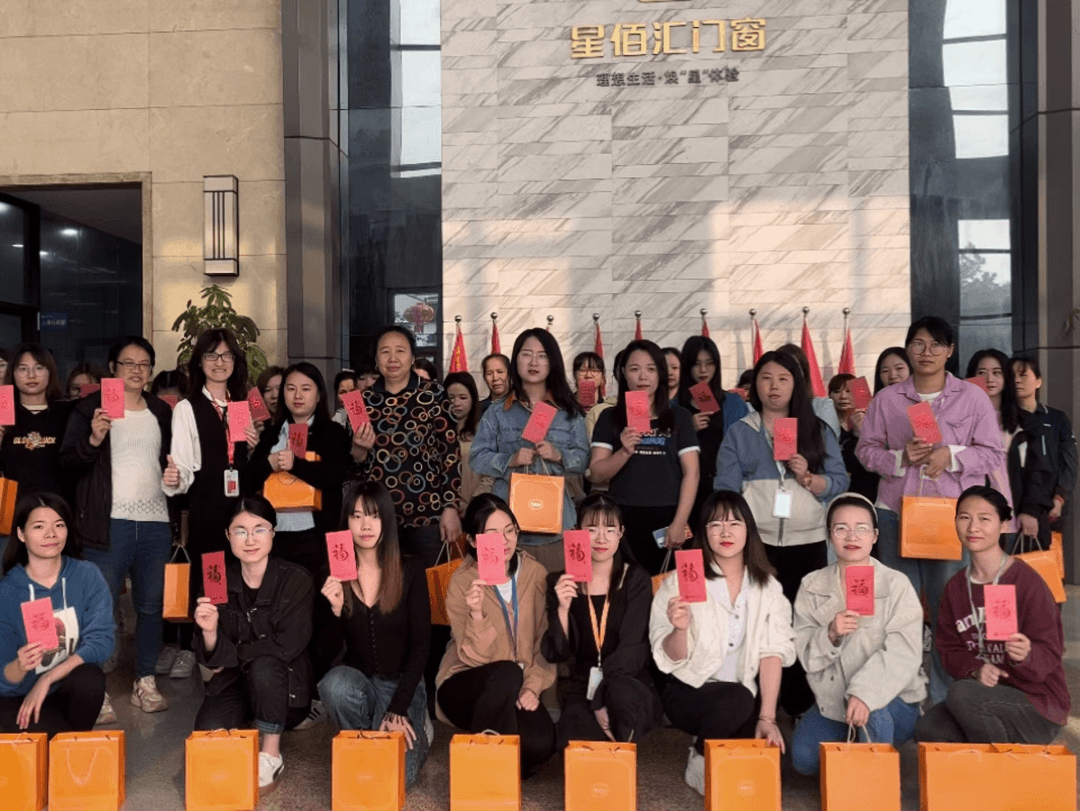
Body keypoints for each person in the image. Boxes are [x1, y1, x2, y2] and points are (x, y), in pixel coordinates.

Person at [856, 316, 1005, 704]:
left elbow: (992, 453)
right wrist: (899, 458)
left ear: (950, 351)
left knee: (947, 611)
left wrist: (951, 456)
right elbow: (865, 451)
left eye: (936, 345)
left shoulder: (971, 397)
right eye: (919, 344)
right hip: (895, 513)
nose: (927, 352)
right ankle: (900, 698)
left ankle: (943, 700)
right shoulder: (888, 399)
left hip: (948, 518)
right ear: (908, 348)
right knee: (899, 611)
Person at [715, 350, 849, 716]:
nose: (774, 387)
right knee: (759, 620)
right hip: (758, 544)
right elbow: (725, 489)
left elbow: (840, 481)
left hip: (808, 542)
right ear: (754, 385)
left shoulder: (817, 430)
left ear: (797, 385)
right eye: (766, 378)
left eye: (783, 379)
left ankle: (801, 703)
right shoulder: (740, 431)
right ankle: (759, 702)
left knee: (803, 621)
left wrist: (809, 477)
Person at [650, 490, 795, 796]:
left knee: (771, 765)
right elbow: (669, 658)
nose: (725, 532)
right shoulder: (679, 581)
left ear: (749, 530)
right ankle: (699, 757)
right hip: (688, 691)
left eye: (734, 523)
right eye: (715, 524)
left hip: (741, 696)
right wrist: (679, 630)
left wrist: (768, 718)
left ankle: (718, 738)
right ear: (704, 533)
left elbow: (772, 653)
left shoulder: (768, 588)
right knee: (736, 700)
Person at [60, 336, 174, 716]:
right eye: (128, 363)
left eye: (144, 364)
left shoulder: (161, 411)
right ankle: (96, 689)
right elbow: (67, 463)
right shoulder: (89, 408)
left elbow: (173, 461)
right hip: (107, 523)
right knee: (100, 607)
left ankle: (145, 681)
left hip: (155, 522)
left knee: (151, 607)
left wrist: (176, 479)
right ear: (112, 368)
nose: (136, 370)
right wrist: (93, 439)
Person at [914, 486, 1069, 744]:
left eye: (984, 519)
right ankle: (995, 755)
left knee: (961, 694)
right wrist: (975, 670)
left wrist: (1026, 655)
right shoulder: (956, 587)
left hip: (1036, 702)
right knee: (930, 728)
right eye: (964, 517)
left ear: (1004, 524)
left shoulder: (1027, 582)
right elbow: (949, 649)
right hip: (985, 696)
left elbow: (1050, 654)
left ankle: (1001, 763)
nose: (973, 527)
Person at [791, 494, 925, 775]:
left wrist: (864, 694)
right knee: (804, 759)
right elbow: (805, 653)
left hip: (892, 700)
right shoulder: (811, 585)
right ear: (829, 535)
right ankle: (857, 748)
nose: (851, 536)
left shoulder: (896, 584)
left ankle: (873, 783)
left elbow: (903, 651)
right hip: (835, 702)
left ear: (875, 536)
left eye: (861, 528)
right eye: (841, 528)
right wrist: (829, 634)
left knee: (874, 713)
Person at [193, 497, 314, 791]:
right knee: (207, 733)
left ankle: (271, 752)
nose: (250, 540)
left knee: (264, 665)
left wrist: (232, 654)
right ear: (227, 535)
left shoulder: (296, 579)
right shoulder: (216, 578)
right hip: (235, 685)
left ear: (273, 532)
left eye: (259, 529)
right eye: (240, 531)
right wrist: (210, 633)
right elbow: (210, 657)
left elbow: (288, 645)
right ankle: (250, 723)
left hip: (284, 691)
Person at [317, 482, 431, 787]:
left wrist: (399, 708)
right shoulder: (333, 575)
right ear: (346, 522)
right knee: (333, 685)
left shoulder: (410, 569)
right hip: (360, 683)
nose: (365, 525)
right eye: (356, 516)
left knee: (398, 780)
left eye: (374, 515)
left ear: (387, 520)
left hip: (403, 685)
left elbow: (422, 644)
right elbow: (326, 652)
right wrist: (335, 611)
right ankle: (363, 737)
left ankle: (420, 728)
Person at [161, 328, 259, 680]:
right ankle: (207, 653)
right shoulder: (187, 408)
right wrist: (174, 479)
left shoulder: (241, 406)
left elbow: (245, 465)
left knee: (242, 579)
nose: (220, 362)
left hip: (241, 511)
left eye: (227, 355)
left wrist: (253, 447)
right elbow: (184, 466)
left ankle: (240, 647)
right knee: (212, 580)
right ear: (199, 362)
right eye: (212, 355)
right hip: (208, 509)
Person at [436, 495, 556, 776]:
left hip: (516, 685)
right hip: (466, 684)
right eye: (492, 534)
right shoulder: (463, 581)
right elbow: (473, 657)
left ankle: (497, 755)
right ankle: (483, 769)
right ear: (473, 540)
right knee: (507, 673)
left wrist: (532, 687)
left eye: (510, 530)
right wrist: (477, 614)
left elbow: (544, 643)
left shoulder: (535, 574)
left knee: (541, 743)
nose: (504, 541)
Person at [542, 494, 661, 746]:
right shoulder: (560, 582)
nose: (601, 538)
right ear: (578, 532)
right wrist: (562, 608)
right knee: (572, 746)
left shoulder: (636, 580)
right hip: (584, 684)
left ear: (621, 533)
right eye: (592, 529)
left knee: (621, 701)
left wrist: (600, 700)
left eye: (610, 529)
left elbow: (633, 647)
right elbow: (557, 653)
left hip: (628, 682)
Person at [470, 328, 589, 571]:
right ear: (516, 361)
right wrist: (508, 460)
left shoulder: (569, 413)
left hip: (557, 525)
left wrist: (559, 455)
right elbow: (477, 458)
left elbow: (584, 460)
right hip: (507, 526)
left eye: (542, 355)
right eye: (526, 354)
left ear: (552, 362)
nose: (534, 362)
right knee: (503, 590)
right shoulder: (497, 412)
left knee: (558, 589)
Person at [0, 494, 112, 737]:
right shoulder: (7, 592)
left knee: (90, 679)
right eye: (39, 527)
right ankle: (70, 743)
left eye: (59, 525)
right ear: (21, 534)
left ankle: (71, 740)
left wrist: (47, 678)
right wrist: (19, 666)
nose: (51, 534)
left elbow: (101, 642)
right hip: (18, 697)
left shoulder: (87, 575)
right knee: (52, 742)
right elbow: (3, 677)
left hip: (63, 689)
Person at [349, 326, 461, 569]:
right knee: (383, 586)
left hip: (428, 517)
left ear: (412, 358)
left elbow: (450, 455)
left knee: (428, 586)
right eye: (385, 352)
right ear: (376, 360)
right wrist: (359, 450)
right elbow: (355, 467)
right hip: (377, 518)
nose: (392, 358)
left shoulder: (434, 394)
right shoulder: (361, 402)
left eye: (400, 351)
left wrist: (450, 507)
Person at [589, 341, 700, 574]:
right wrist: (624, 451)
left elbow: (692, 473)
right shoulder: (609, 417)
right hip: (623, 517)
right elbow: (597, 474)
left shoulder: (679, 416)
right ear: (623, 373)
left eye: (651, 369)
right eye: (634, 369)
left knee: (670, 587)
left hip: (670, 515)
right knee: (626, 587)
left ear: (661, 373)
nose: (643, 376)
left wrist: (680, 522)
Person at [247, 362, 350, 574]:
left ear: (319, 395)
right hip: (275, 536)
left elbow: (335, 476)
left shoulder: (332, 432)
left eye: (306, 388)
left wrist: (296, 465)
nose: (297, 395)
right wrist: (269, 463)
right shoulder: (270, 434)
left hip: (316, 537)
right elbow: (247, 481)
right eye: (291, 388)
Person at [967, 349, 1053, 548]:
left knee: (1006, 568)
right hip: (969, 518)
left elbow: (1038, 472)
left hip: (1010, 518)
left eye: (997, 373)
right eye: (982, 372)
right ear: (972, 378)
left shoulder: (1025, 423)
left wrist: (1030, 510)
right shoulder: (961, 421)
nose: (989, 379)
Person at [676, 336, 748, 525]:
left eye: (709, 363)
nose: (703, 370)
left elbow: (745, 447)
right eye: (696, 364)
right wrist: (687, 429)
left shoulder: (733, 403)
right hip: (685, 491)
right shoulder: (674, 407)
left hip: (723, 489)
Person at [0, 343, 74, 503]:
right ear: (12, 374)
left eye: (39, 368)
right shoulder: (3, 413)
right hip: (10, 505)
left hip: (58, 505)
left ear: (50, 372)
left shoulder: (67, 413)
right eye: (23, 369)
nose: (31, 375)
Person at [1013, 355, 1077, 532]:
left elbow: (1069, 462)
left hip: (1049, 508)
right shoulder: (1000, 418)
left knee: (1046, 550)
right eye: (1012, 376)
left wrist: (1059, 498)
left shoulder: (1056, 418)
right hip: (1010, 508)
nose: (1017, 380)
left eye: (1023, 375)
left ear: (1038, 381)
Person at [444, 371, 492, 512]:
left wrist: (474, 505)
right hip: (443, 513)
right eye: (451, 397)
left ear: (473, 400)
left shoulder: (483, 433)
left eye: (463, 397)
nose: (456, 403)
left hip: (477, 510)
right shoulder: (435, 433)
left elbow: (490, 476)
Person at [828, 374, 878, 503]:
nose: (843, 396)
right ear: (829, 396)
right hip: (833, 493)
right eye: (837, 391)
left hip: (867, 493)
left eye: (848, 391)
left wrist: (861, 432)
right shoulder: (824, 427)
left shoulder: (872, 424)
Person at [775, 344, 841, 438]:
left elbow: (831, 443)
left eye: (795, 367)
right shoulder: (760, 410)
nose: (788, 373)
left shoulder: (822, 406)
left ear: (804, 372)